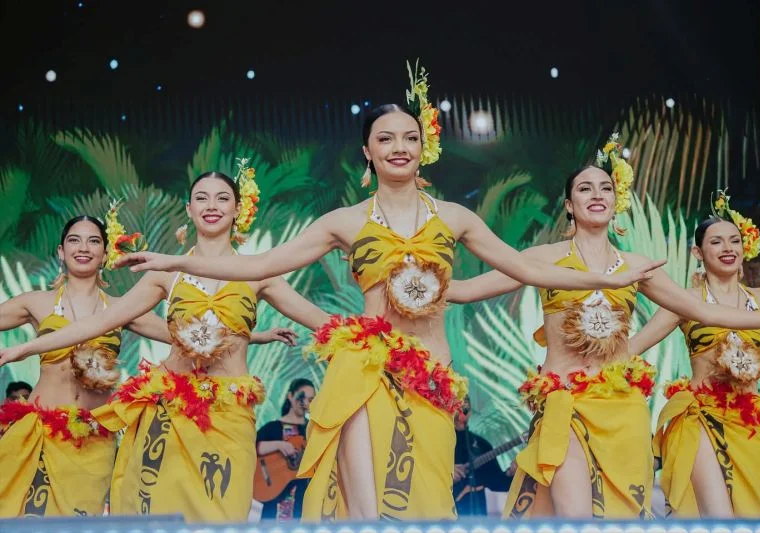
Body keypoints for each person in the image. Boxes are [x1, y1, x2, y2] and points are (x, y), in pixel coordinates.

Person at [100, 63, 665, 521]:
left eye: (410, 137)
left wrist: (603, 278)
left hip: (433, 370)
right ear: (367, 153)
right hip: (367, 363)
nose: (399, 146)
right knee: (364, 487)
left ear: (425, 148)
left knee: (429, 495)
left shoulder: (456, 218)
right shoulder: (343, 220)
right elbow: (267, 263)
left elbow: (527, 269)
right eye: (384, 138)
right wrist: (176, 258)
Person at [447, 139, 760, 519]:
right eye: (585, 188)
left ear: (616, 202)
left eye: (605, 188)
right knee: (573, 514)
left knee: (621, 517)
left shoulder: (637, 265)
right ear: (569, 205)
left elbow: (703, 311)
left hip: (623, 410)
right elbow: (467, 291)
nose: (597, 195)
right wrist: (421, 277)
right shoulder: (542, 258)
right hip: (565, 402)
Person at [0, 164, 329, 522]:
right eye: (201, 198)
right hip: (169, 411)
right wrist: (26, 348)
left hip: (230, 413)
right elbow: (102, 322)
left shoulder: (260, 273)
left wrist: (387, 336)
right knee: (162, 514)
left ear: (239, 209)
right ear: (189, 209)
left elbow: (320, 320)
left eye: (222, 198)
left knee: (226, 511)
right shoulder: (165, 273)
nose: (211, 205)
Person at [629, 191, 760, 518]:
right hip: (700, 416)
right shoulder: (685, 301)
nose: (728, 249)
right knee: (717, 518)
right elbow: (633, 347)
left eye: (734, 241)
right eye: (717, 242)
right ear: (698, 251)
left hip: (750, 422)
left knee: (758, 519)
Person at [0, 214, 173, 517]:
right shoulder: (36, 303)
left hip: (93, 440)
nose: (83, 248)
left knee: (82, 522)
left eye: (94, 241)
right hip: (41, 433)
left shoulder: (122, 308)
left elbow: (182, 338)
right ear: (60, 251)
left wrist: (254, 336)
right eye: (74, 240)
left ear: (105, 254)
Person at [255, 378, 315, 521]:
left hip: (301, 504)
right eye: (301, 397)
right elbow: (253, 448)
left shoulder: (313, 431)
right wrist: (279, 445)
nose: (305, 402)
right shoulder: (273, 427)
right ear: (290, 396)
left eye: (311, 399)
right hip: (273, 499)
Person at [452, 395, 517, 517]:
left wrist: (511, 473)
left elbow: (496, 482)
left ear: (470, 412)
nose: (462, 411)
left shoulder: (481, 444)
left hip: (477, 515)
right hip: (445, 515)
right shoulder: (438, 442)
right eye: (457, 406)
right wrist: (446, 473)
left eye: (465, 407)